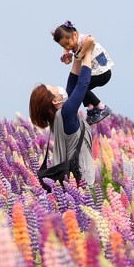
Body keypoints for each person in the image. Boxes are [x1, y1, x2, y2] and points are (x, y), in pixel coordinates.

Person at [29, 35, 99, 187]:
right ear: (55, 100)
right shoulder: (66, 113)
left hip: (66, 183)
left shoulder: (57, 117)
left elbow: (72, 83)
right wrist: (88, 52)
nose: (58, 87)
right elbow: (82, 84)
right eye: (54, 88)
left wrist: (78, 52)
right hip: (80, 185)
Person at [52, 20, 114, 124]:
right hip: (96, 72)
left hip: (103, 73)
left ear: (75, 35)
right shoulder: (73, 45)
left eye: (67, 44)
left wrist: (81, 53)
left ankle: (101, 107)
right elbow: (68, 60)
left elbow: (91, 39)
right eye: (63, 46)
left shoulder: (82, 39)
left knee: (81, 87)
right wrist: (66, 54)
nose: (67, 47)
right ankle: (91, 108)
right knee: (79, 88)